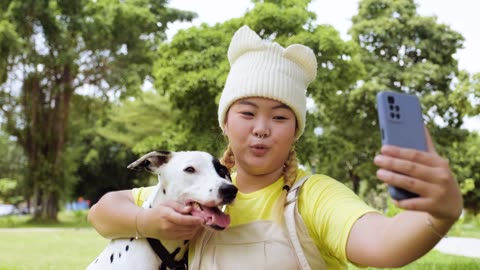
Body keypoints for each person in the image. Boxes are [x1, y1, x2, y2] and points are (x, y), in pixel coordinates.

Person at [88, 25, 463, 269]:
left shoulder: (311, 196)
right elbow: (103, 213)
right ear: (226, 122)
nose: (262, 130)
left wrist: (437, 215)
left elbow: (384, 245)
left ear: (295, 130)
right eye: (247, 113)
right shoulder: (197, 187)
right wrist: (147, 221)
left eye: (281, 118)